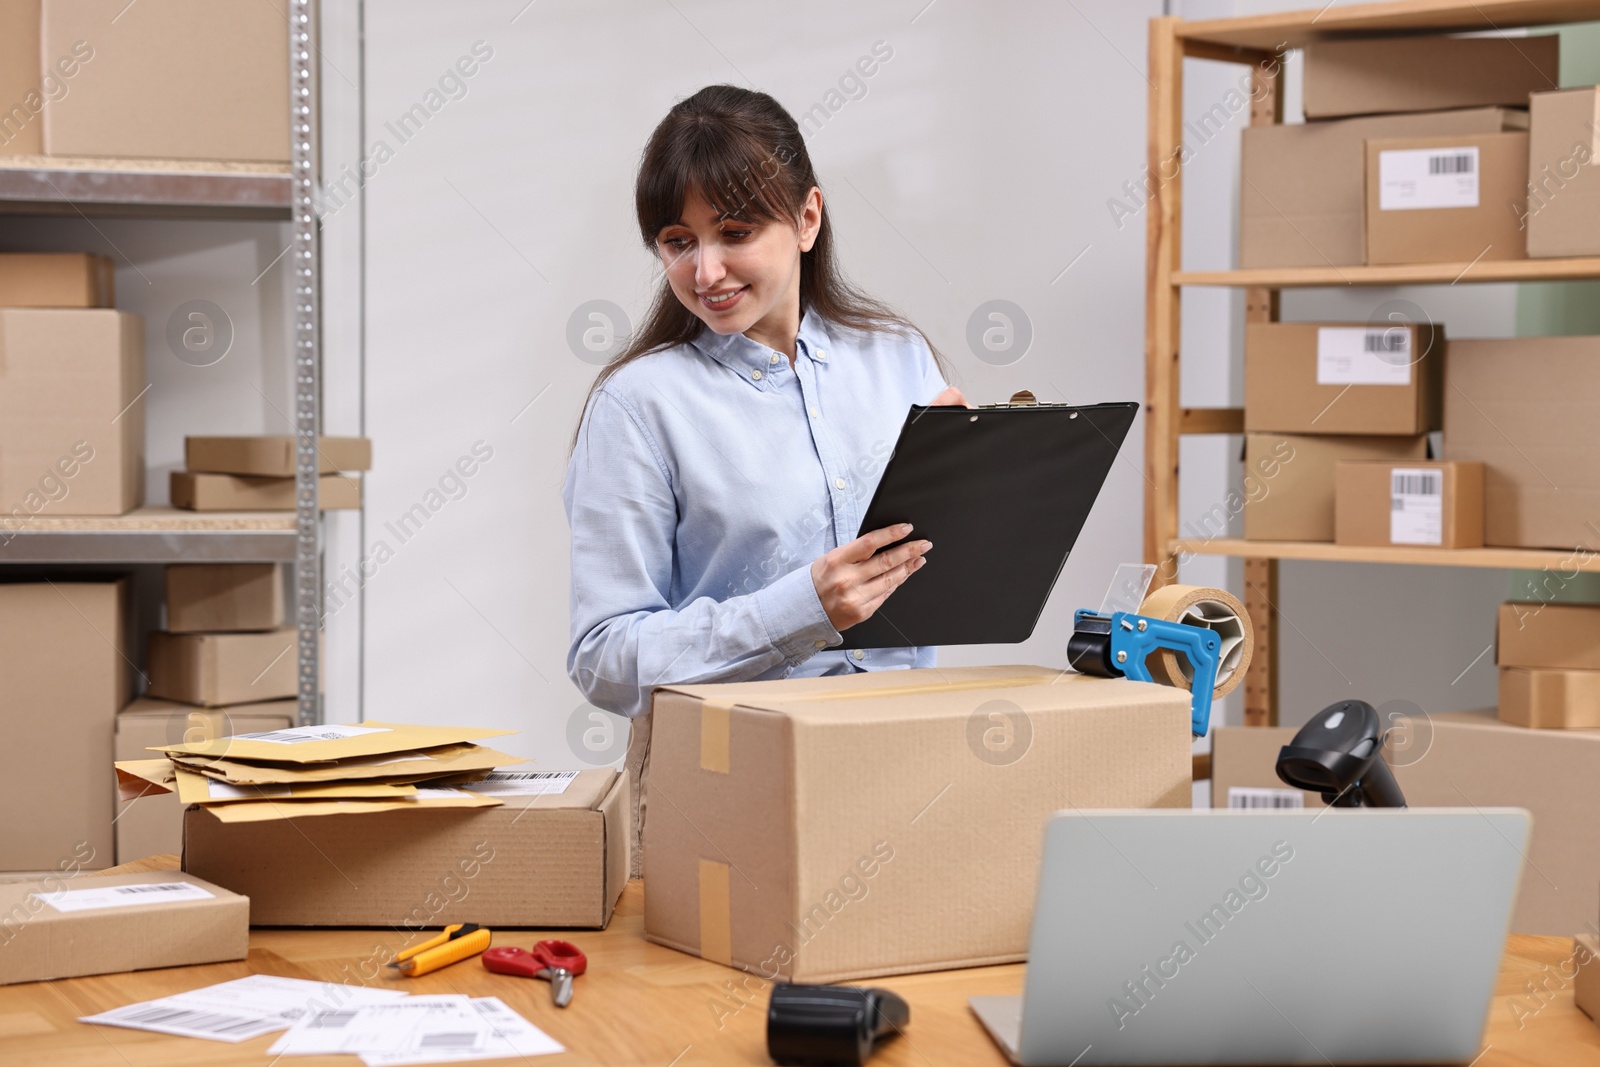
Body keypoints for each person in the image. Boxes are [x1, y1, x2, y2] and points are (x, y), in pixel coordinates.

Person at [562, 85, 969, 870]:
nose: (704, 269)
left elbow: (937, 577)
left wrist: (982, 491)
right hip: (726, 786)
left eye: (735, 232)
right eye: (678, 240)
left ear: (807, 218)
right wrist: (799, 610)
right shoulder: (640, 405)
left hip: (905, 764)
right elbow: (605, 656)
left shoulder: (897, 358)